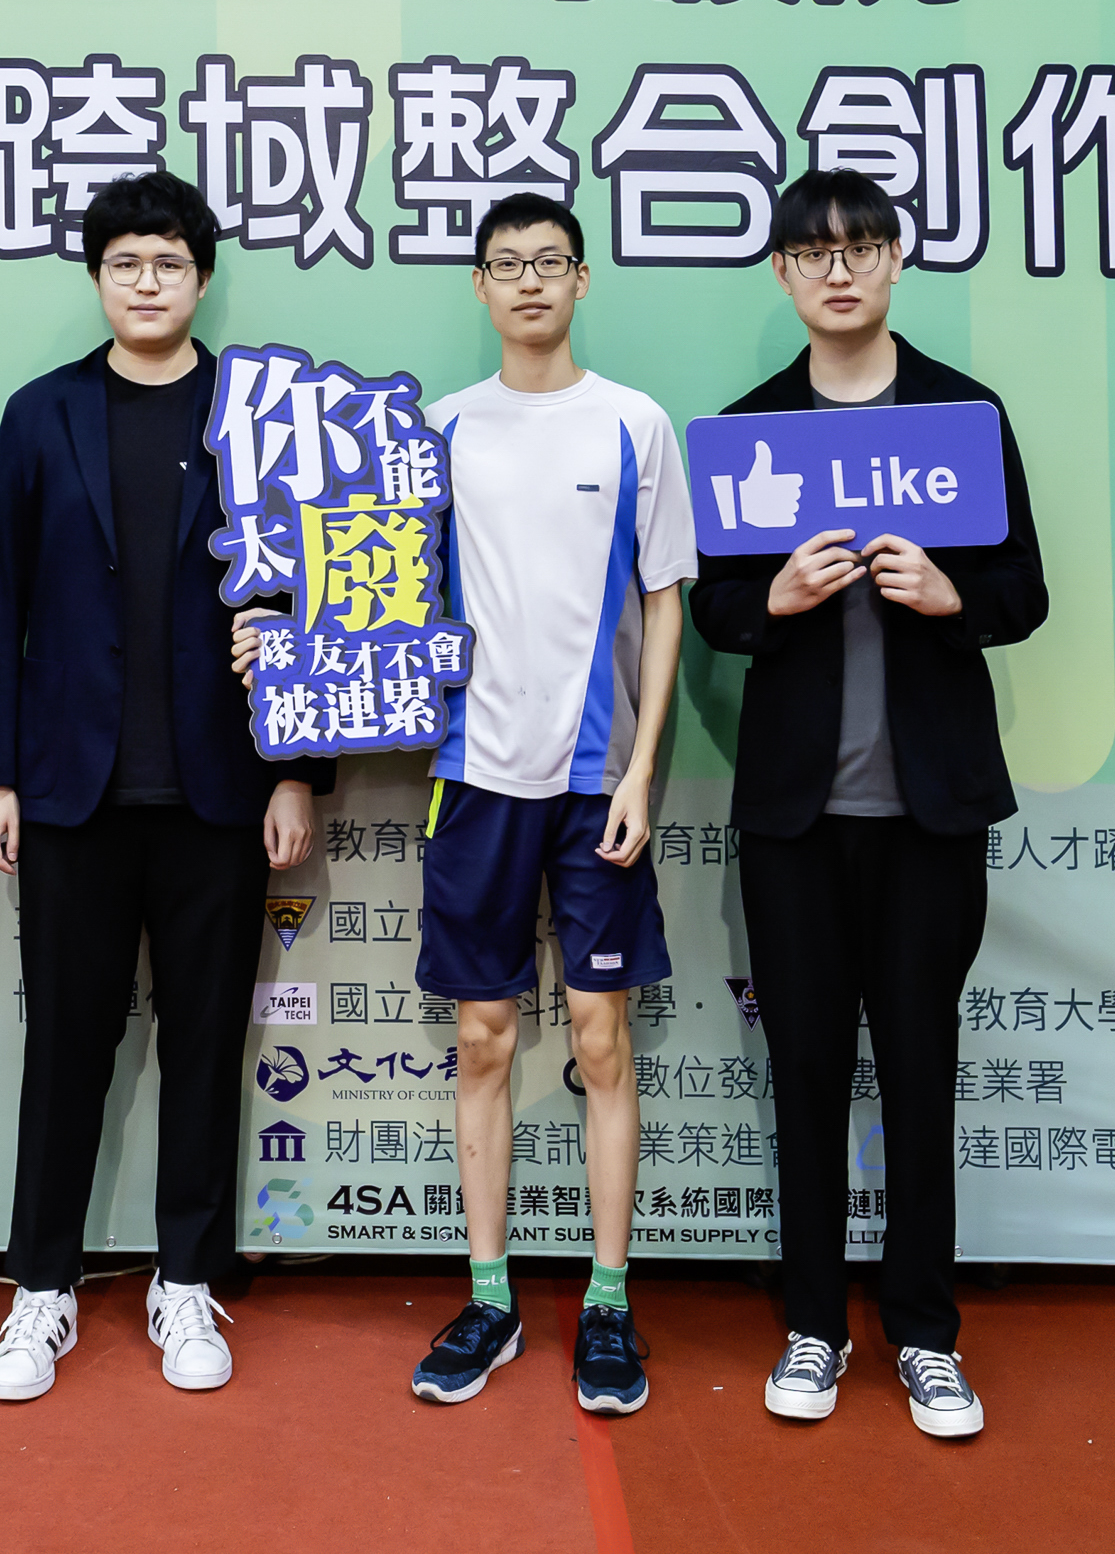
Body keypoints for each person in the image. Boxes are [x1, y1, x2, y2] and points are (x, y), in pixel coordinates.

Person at [689, 169, 1046, 1441]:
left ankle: (925, 1335)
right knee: (801, 1075)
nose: (836, 271)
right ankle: (810, 1325)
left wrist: (954, 598)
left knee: (918, 1074)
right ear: (781, 274)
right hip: (795, 821)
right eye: (812, 252)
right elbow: (709, 608)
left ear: (895, 261)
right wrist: (769, 601)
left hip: (929, 817)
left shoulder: (963, 416)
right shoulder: (747, 433)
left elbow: (1023, 593)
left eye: (859, 248)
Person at [0, 169, 323, 1402]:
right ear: (97, 279)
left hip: (221, 792)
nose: (148, 282)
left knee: (206, 1047)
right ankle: (40, 1290)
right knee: (64, 1050)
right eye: (125, 263)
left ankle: (185, 1281)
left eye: (168, 262)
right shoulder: (40, 415)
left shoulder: (259, 422)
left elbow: (313, 602)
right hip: (71, 793)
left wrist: (296, 772)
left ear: (201, 278)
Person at [398, 189, 695, 1416]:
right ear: (478, 286)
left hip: (592, 787)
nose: (529, 281)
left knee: (597, 1038)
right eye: (506, 264)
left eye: (550, 261)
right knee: (481, 1036)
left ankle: (608, 1303)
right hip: (471, 776)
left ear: (582, 280)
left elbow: (666, 597)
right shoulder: (436, 430)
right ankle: (489, 1297)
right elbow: (378, 597)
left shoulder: (633, 423)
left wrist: (638, 772)